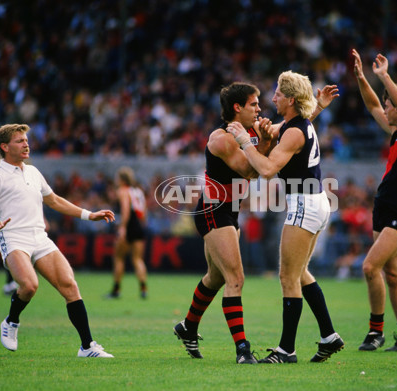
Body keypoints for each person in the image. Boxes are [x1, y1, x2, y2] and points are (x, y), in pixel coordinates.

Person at [227, 71, 343, 363]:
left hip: (304, 202)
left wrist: (244, 141)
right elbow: (294, 125)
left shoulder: (293, 130)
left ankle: (286, 350)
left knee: (287, 277)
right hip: (314, 200)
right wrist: (319, 106)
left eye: (278, 93)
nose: (273, 97)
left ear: (291, 99)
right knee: (300, 273)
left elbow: (266, 170)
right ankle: (328, 335)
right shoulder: (296, 123)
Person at [0, 124, 115, 358]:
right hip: (13, 237)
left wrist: (89, 214)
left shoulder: (32, 172)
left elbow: (54, 201)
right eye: (20, 140)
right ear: (5, 146)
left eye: (26, 140)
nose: (26, 144)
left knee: (70, 286)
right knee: (30, 286)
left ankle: (87, 346)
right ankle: (11, 321)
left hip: (39, 236)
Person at [173, 82, 274, 364]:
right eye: (254, 104)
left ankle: (188, 327)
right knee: (236, 279)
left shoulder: (249, 131)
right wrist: (265, 144)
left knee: (216, 277)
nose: (259, 109)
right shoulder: (222, 139)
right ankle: (243, 350)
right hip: (213, 210)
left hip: (230, 212)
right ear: (237, 108)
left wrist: (316, 108)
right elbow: (249, 171)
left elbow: (292, 130)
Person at [352, 49, 397, 352]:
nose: (385, 107)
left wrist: (384, 75)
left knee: (370, 267)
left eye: (388, 103)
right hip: (383, 208)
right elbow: (371, 104)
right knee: (394, 275)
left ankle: (375, 331)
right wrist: (360, 77)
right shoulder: (396, 133)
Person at [106, 166, 148, 299]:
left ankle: (116, 290)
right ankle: (143, 289)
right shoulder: (138, 191)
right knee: (137, 259)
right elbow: (143, 213)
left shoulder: (123, 191)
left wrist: (122, 227)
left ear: (123, 180)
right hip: (138, 226)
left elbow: (125, 210)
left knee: (119, 258)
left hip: (128, 225)